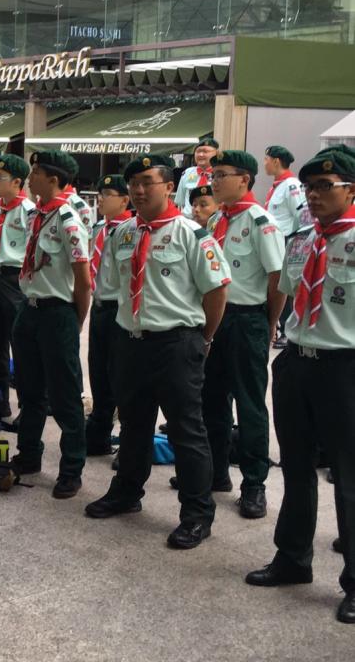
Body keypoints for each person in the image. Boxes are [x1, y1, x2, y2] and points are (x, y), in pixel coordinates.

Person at [85, 154, 230, 551]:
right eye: (134, 182)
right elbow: (112, 288)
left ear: (169, 186)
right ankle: (126, 492)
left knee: (187, 431)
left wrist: (204, 338)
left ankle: (197, 515)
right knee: (133, 424)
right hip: (130, 342)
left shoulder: (193, 234)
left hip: (176, 344)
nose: (139, 189)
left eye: (148, 181)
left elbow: (217, 289)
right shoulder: (122, 233)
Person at [245, 146, 355, 625]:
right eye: (309, 188)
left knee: (349, 479)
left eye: (324, 187)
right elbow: (288, 295)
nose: (312, 196)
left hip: (345, 368)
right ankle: (292, 559)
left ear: (351, 189)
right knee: (294, 467)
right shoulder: (302, 239)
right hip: (297, 362)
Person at [199, 150, 285, 518]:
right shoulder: (217, 219)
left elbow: (277, 279)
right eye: (212, 175)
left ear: (244, 180)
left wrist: (268, 323)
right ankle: (216, 473)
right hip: (215, 318)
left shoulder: (261, 221)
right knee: (211, 400)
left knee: (249, 406)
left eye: (221, 175)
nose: (213, 181)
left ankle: (254, 484)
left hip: (246, 319)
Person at [11, 151, 92, 498]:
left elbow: (84, 281)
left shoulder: (69, 220)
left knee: (65, 397)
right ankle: (29, 455)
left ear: (54, 179)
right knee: (29, 391)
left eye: (36, 173)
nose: (30, 179)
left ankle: (71, 470)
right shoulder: (38, 215)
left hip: (58, 312)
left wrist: (74, 323)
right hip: (28, 310)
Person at [84, 174, 133, 456]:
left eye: (108, 194)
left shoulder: (133, 229)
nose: (100, 199)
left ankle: (128, 441)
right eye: (100, 193)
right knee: (99, 373)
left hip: (121, 308)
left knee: (123, 378)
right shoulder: (99, 226)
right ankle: (98, 435)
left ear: (125, 200)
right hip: (100, 305)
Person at [0, 154, 35, 408]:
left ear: (17, 182)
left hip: (15, 280)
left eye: (0, 178)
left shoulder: (29, 212)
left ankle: (27, 404)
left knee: (21, 345)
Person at [264, 145, 308, 349]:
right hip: (275, 241)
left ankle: (286, 331)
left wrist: (294, 244)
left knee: (285, 290)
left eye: (266, 159)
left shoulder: (291, 186)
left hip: (285, 242)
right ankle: (280, 328)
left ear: (276, 161)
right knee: (277, 287)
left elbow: (303, 217)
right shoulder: (278, 186)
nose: (264, 163)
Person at [175, 138, 219, 218]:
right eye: (198, 151)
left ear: (216, 153)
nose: (201, 155)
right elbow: (180, 202)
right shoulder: (187, 173)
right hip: (189, 221)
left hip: (213, 222)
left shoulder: (220, 174)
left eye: (205, 152)